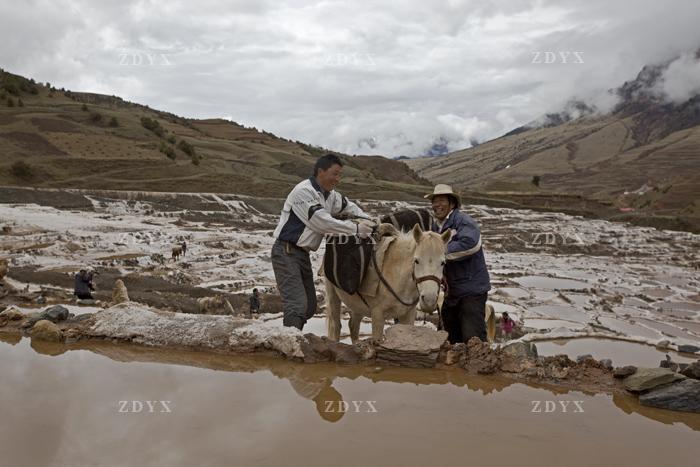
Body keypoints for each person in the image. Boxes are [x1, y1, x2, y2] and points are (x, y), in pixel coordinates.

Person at [271, 153, 374, 330]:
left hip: (302, 254)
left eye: (340, 174)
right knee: (297, 305)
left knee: (309, 307)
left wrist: (370, 221)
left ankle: (291, 334)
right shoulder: (304, 192)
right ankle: (288, 345)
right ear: (321, 171)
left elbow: (349, 207)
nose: (338, 179)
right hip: (286, 252)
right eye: (335, 174)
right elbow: (321, 221)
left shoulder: (330, 196)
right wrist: (356, 229)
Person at [427, 184, 491, 343]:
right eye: (435, 201)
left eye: (441, 200)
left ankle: (478, 365)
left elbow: (471, 244)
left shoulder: (463, 221)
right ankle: (451, 367)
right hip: (452, 291)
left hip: (471, 290)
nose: (437, 205)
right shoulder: (436, 226)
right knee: (448, 336)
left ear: (452, 204)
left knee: (472, 337)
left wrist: (438, 252)